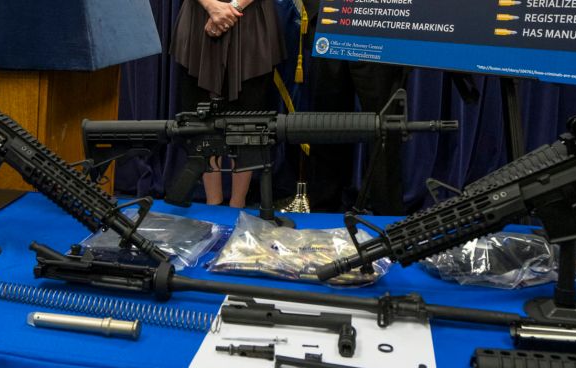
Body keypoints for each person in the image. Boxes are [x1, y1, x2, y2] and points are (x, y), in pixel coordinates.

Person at [170, 0, 284, 208]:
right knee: (201, 120)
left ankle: (238, 204)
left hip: (253, 22)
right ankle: (212, 204)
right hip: (199, 19)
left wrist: (233, 7)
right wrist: (211, 6)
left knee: (249, 122)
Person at [301, 0, 409, 215]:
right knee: (326, 123)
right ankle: (323, 213)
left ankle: (387, 216)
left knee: (385, 126)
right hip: (329, 22)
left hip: (381, 26)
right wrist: (317, 12)